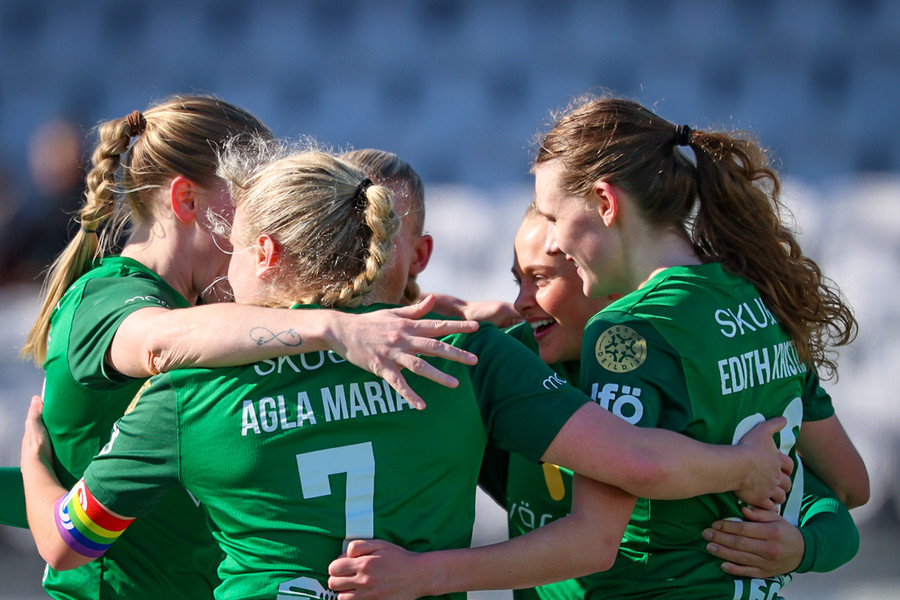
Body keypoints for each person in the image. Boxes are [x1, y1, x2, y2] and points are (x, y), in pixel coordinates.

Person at [22, 143, 791, 600]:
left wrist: (33, 463)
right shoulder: (465, 351)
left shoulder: (187, 391)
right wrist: (742, 464)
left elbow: (68, 544)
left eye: (236, 249)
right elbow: (634, 467)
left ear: (266, 252)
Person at [15, 95, 479, 600]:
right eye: (245, 194)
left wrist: (427, 312)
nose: (262, 217)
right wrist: (332, 326)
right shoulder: (107, 296)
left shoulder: (208, 308)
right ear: (186, 200)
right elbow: (159, 344)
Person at [327, 203, 860, 599]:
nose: (521, 301)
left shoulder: (673, 368)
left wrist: (802, 547)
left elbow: (831, 498)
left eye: (540, 279)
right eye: (517, 281)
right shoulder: (509, 365)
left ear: (597, 274)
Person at [525, 93, 863, 598]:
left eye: (553, 217)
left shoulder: (628, 328)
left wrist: (428, 573)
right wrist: (804, 546)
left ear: (605, 202)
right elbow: (851, 485)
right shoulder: (766, 299)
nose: (552, 242)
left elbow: (594, 538)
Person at [341, 148, 521, 328]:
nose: (355, 252)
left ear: (419, 255)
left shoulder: (468, 342)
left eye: (382, 236)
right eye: (342, 232)